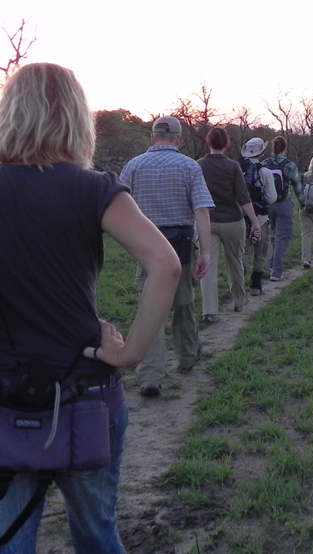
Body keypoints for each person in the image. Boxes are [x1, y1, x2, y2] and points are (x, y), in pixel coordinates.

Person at [0, 62, 180, 554]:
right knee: (97, 535)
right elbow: (166, 265)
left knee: (2, 546)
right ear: (77, 119)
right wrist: (132, 353)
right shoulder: (94, 189)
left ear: (5, 116)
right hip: (85, 396)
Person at [120, 116, 214, 397]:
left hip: (146, 246)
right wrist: (206, 252)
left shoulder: (133, 166)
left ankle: (150, 375)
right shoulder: (189, 167)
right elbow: (201, 210)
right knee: (183, 303)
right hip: (181, 245)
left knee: (151, 310)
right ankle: (187, 356)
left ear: (152, 137)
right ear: (179, 139)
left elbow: (119, 208)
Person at [197, 127, 261, 321]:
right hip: (233, 220)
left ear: (208, 142)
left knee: (208, 264)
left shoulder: (198, 165)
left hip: (207, 221)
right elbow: (243, 196)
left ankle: (209, 309)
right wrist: (255, 221)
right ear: (227, 143)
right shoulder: (233, 166)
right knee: (235, 261)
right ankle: (239, 301)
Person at [240, 137, 277, 295]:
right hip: (260, 217)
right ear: (261, 153)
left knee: (241, 250)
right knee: (260, 250)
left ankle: (239, 279)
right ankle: (256, 284)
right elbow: (271, 197)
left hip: (241, 217)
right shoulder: (265, 172)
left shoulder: (238, 169)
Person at [263, 136, 302, 281]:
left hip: (268, 204)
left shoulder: (265, 163)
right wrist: (303, 203)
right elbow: (297, 186)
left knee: (273, 235)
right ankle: (276, 272)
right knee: (281, 238)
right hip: (284, 204)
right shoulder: (289, 165)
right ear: (285, 149)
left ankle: (271, 264)